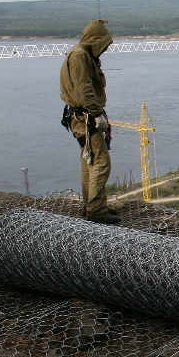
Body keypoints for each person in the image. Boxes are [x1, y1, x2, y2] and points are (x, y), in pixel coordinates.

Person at [59, 19, 120, 224]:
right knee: (101, 161)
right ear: (96, 40)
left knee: (90, 161)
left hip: (81, 116)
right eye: (104, 44)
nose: (105, 49)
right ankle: (95, 209)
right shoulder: (80, 56)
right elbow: (84, 88)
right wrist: (96, 113)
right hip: (85, 117)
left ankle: (93, 205)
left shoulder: (81, 54)